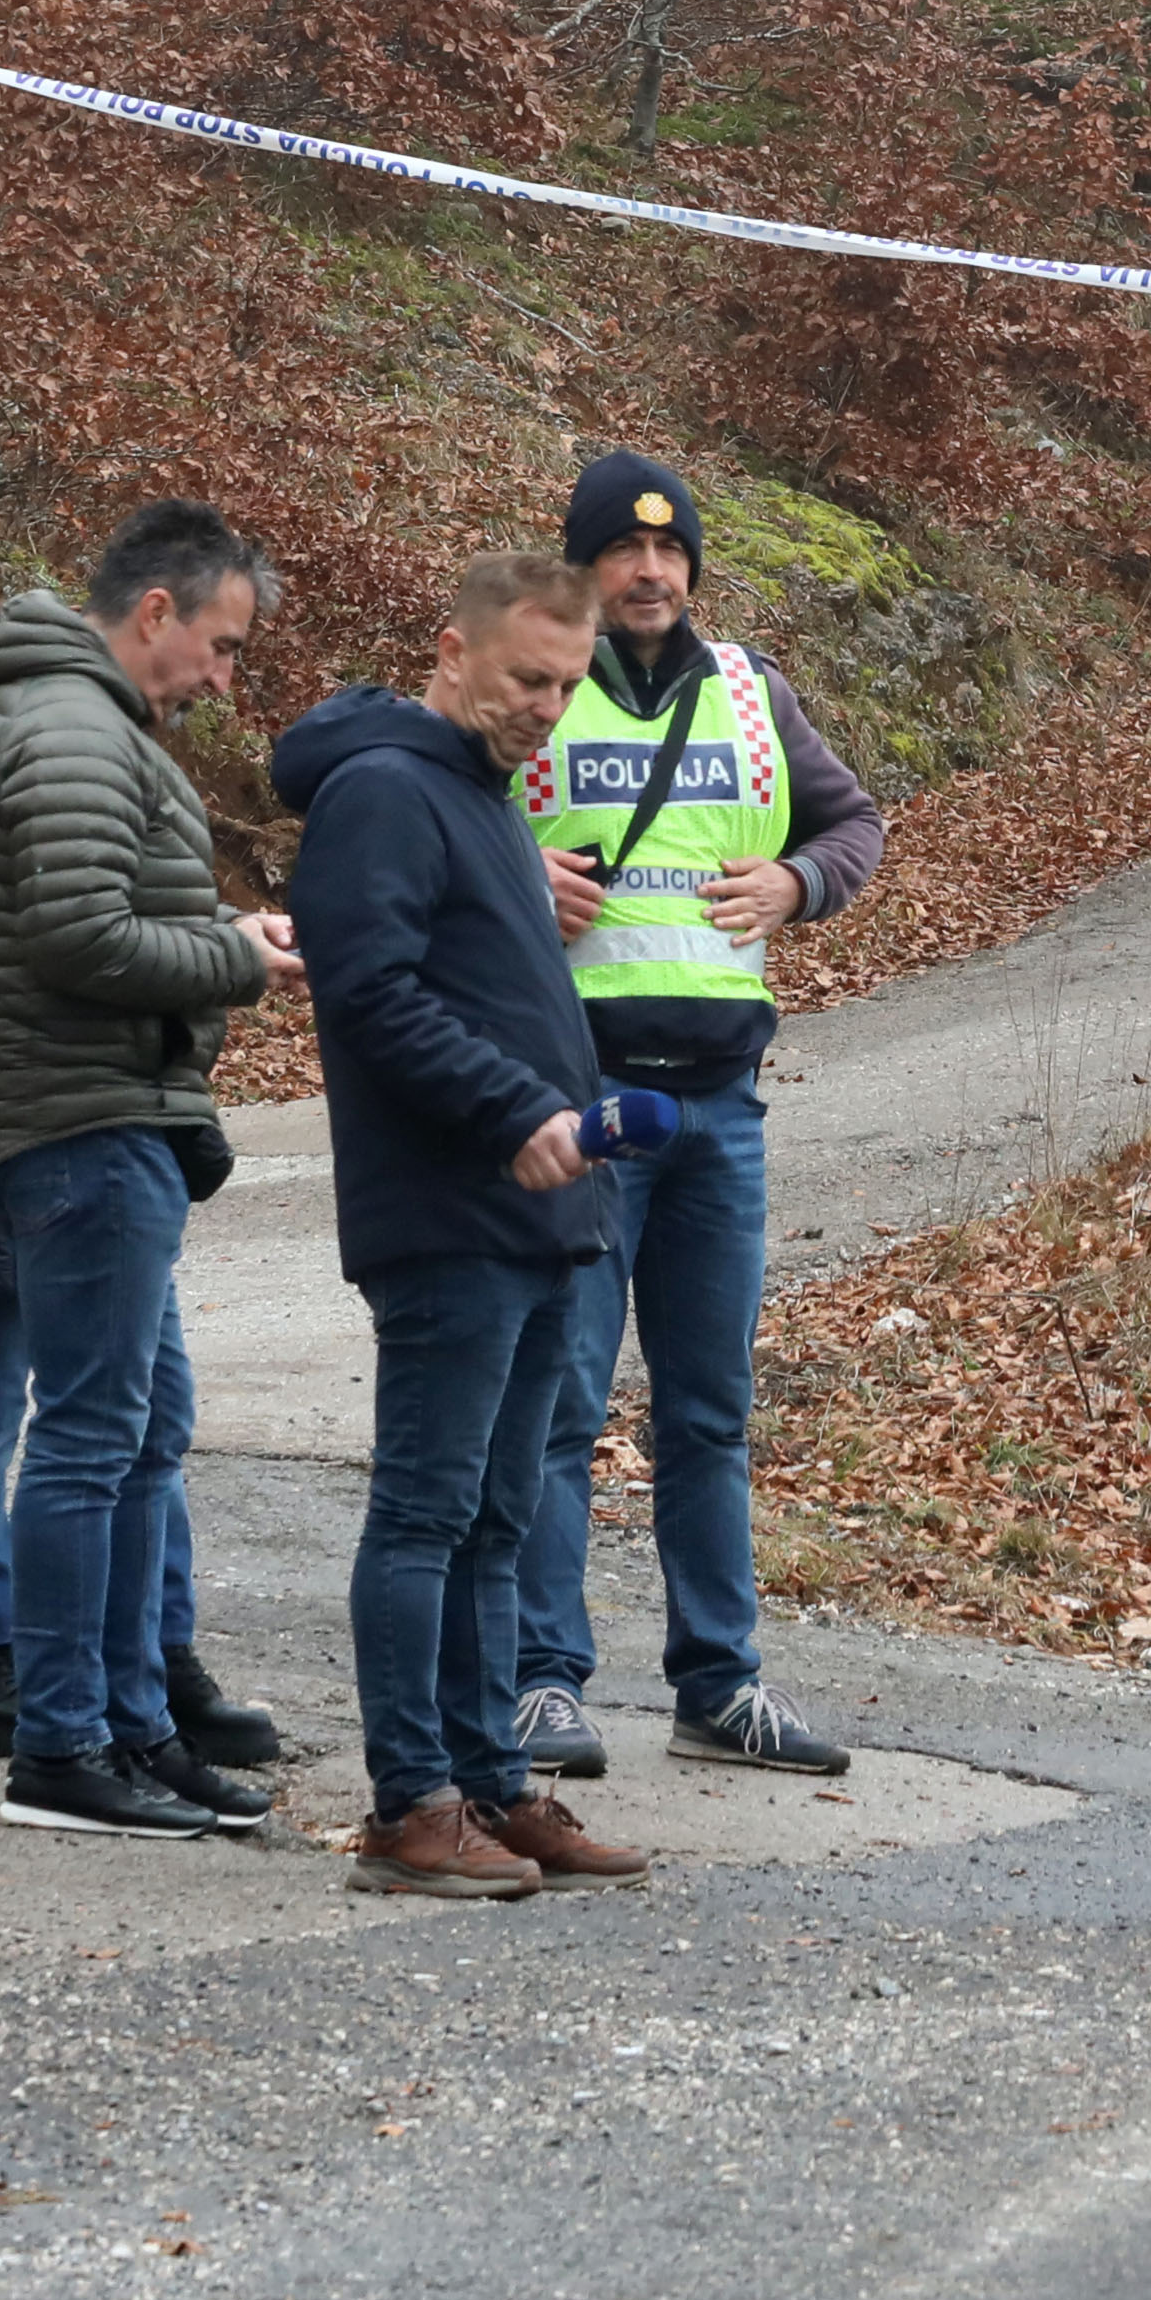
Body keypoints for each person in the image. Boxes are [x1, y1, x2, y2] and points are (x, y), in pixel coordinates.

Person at [278, 547, 660, 1899]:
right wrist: (514, 1111)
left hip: (540, 1218)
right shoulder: (383, 793)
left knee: (500, 1521)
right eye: (523, 680)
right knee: (428, 1515)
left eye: (563, 689)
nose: (543, 709)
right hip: (449, 1216)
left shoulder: (487, 798)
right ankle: (409, 1803)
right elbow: (371, 1000)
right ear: (452, 650)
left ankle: (488, 1783)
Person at [0, 500, 306, 1843]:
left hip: (107, 1120)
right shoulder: (74, 727)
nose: (222, 679)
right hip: (83, 1129)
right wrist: (239, 962)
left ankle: (136, 1725)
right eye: (218, 646)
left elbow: (97, 910)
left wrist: (218, 927)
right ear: (156, 613)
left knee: (141, 1431)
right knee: (94, 1441)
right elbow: (82, 935)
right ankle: (62, 1745)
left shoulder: (75, 724)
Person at [517, 448, 889, 1783]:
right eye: (624, 551)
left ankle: (718, 1686)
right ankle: (542, 1682)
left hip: (722, 1111)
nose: (651, 571)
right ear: (584, 567)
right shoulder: (536, 687)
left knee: (709, 1413)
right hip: (589, 1103)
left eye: (670, 554)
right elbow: (418, 814)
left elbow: (855, 826)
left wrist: (798, 884)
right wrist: (515, 872)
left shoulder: (752, 695)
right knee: (558, 1403)